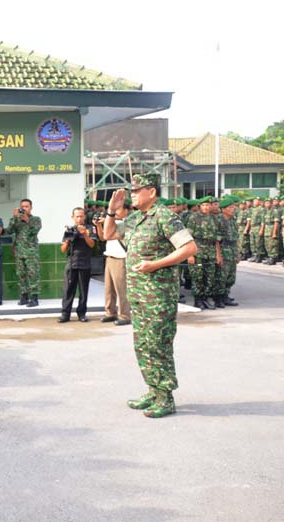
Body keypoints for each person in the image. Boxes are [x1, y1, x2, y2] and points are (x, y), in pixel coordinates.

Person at [103, 174, 197, 418]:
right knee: (143, 345)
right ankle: (153, 390)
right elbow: (108, 235)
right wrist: (112, 211)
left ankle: (165, 397)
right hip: (139, 296)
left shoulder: (164, 216)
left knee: (158, 345)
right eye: (131, 191)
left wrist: (154, 264)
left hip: (158, 296)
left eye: (137, 190)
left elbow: (189, 248)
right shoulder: (136, 219)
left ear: (152, 192)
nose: (132, 194)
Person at [94, 198, 131, 325]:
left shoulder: (127, 223)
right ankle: (110, 312)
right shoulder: (112, 222)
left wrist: (109, 219)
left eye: (118, 210)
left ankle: (125, 315)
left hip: (121, 258)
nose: (115, 213)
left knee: (122, 290)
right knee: (109, 289)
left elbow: (119, 225)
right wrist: (99, 225)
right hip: (110, 257)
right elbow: (103, 237)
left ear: (126, 211)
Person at [58, 207, 95, 323]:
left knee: (83, 291)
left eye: (81, 216)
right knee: (68, 290)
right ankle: (65, 314)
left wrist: (85, 235)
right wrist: (68, 240)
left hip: (85, 263)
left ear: (84, 216)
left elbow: (92, 245)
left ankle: (82, 314)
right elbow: (63, 249)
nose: (79, 218)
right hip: (71, 264)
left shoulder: (90, 228)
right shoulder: (69, 230)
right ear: (73, 217)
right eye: (77, 216)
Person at [5, 199, 42, 307]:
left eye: (26, 206)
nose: (24, 209)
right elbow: (9, 231)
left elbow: (34, 231)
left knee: (33, 274)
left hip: (31, 252)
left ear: (31, 207)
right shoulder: (16, 219)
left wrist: (27, 220)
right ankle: (24, 296)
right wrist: (15, 218)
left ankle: (34, 298)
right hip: (19, 251)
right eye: (22, 206)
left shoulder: (35, 219)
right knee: (21, 274)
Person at [187, 197, 221, 309]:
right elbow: (189, 237)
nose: (206, 207)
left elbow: (216, 239)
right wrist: (190, 255)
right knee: (198, 277)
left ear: (211, 206)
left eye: (208, 205)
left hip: (210, 251)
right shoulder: (194, 218)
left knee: (210, 277)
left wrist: (218, 254)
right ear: (199, 206)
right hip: (198, 251)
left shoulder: (214, 219)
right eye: (203, 205)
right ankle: (198, 300)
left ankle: (205, 298)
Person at [215, 196, 240, 307]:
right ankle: (218, 298)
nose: (233, 208)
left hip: (232, 250)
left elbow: (236, 238)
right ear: (224, 209)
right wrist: (218, 255)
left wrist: (238, 252)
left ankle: (225, 296)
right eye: (231, 207)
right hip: (223, 250)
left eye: (234, 206)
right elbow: (216, 241)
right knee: (221, 277)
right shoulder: (219, 220)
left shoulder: (233, 220)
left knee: (231, 276)